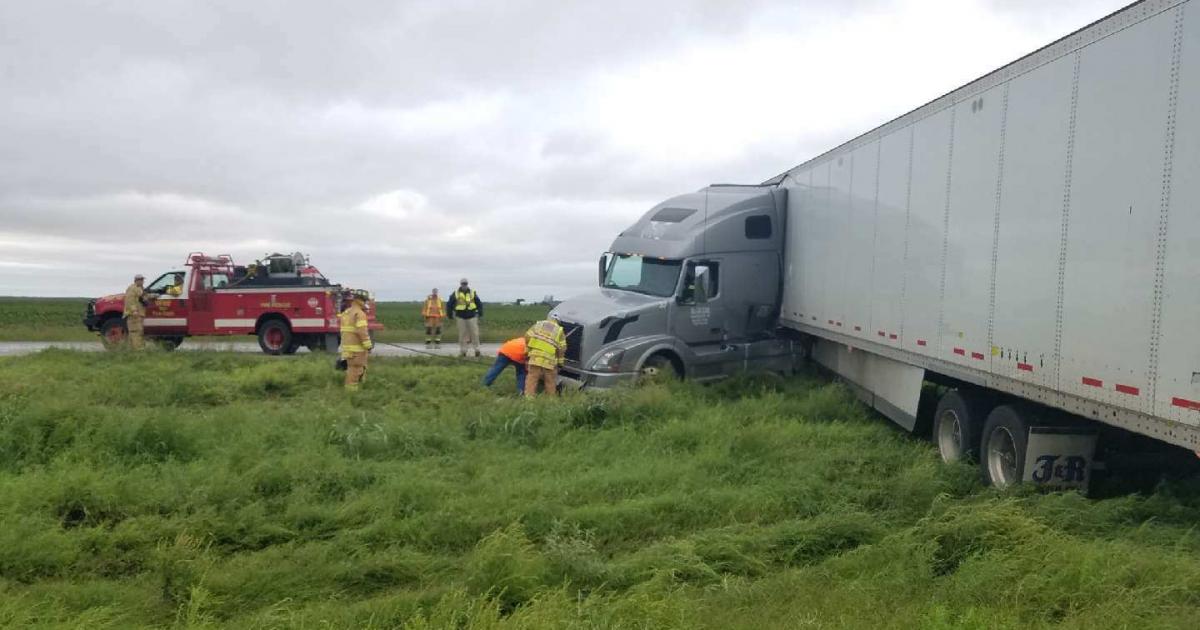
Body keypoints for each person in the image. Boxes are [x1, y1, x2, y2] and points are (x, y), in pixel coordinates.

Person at [338, 289, 374, 390]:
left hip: (347, 349)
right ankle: (352, 394)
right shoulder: (360, 314)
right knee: (356, 371)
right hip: (357, 350)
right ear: (361, 300)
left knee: (352, 370)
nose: (366, 303)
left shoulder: (346, 312)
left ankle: (354, 390)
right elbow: (362, 332)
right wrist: (368, 346)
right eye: (365, 300)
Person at [524, 317, 566, 397]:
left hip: (535, 356)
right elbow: (562, 349)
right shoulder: (559, 330)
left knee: (532, 377)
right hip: (549, 359)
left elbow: (527, 336)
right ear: (558, 322)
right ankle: (550, 399)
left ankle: (529, 397)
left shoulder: (539, 325)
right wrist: (560, 363)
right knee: (550, 380)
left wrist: (528, 350)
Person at [447, 278, 483, 357]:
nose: (464, 285)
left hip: (472, 316)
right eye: (463, 284)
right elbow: (449, 304)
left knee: (475, 334)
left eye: (465, 284)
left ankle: (477, 350)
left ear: (467, 284)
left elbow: (479, 303)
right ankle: (463, 351)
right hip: (460, 317)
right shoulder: (456, 293)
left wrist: (479, 314)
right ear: (461, 284)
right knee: (462, 335)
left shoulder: (472, 293)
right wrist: (449, 315)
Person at [123, 274, 148, 350]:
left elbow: (143, 297)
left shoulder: (140, 288)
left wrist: (153, 295)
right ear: (137, 280)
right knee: (135, 331)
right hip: (133, 314)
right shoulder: (132, 288)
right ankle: (138, 349)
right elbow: (130, 301)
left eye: (143, 280)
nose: (143, 281)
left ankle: (133, 349)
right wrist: (134, 311)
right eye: (141, 280)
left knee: (137, 332)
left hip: (139, 314)